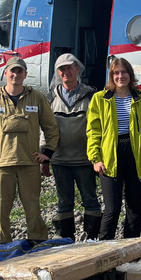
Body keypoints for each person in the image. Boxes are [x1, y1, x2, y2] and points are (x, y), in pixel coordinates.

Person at [0, 56, 60, 244]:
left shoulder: (36, 97)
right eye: (12, 71)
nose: (16, 74)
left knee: (33, 208)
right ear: (6, 73)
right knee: (1, 210)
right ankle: (2, 247)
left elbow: (51, 127)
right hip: (2, 165)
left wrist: (48, 153)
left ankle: (38, 245)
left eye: (20, 71)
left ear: (25, 74)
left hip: (30, 164)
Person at [86, 57, 141, 239]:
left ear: (130, 75)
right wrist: (96, 158)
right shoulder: (100, 99)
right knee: (112, 208)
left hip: (134, 156)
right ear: (111, 76)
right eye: (116, 73)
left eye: (124, 72)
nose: (120, 76)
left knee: (134, 207)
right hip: (110, 157)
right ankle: (104, 250)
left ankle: (131, 250)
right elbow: (93, 131)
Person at [44, 53, 102, 240]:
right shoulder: (51, 96)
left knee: (90, 200)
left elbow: (99, 126)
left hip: (85, 159)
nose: (65, 72)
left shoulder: (92, 95)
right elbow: (44, 127)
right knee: (64, 203)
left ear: (78, 69)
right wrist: (45, 155)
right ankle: (66, 240)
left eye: (69, 67)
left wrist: (98, 156)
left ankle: (92, 238)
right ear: (57, 73)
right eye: (61, 69)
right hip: (60, 159)